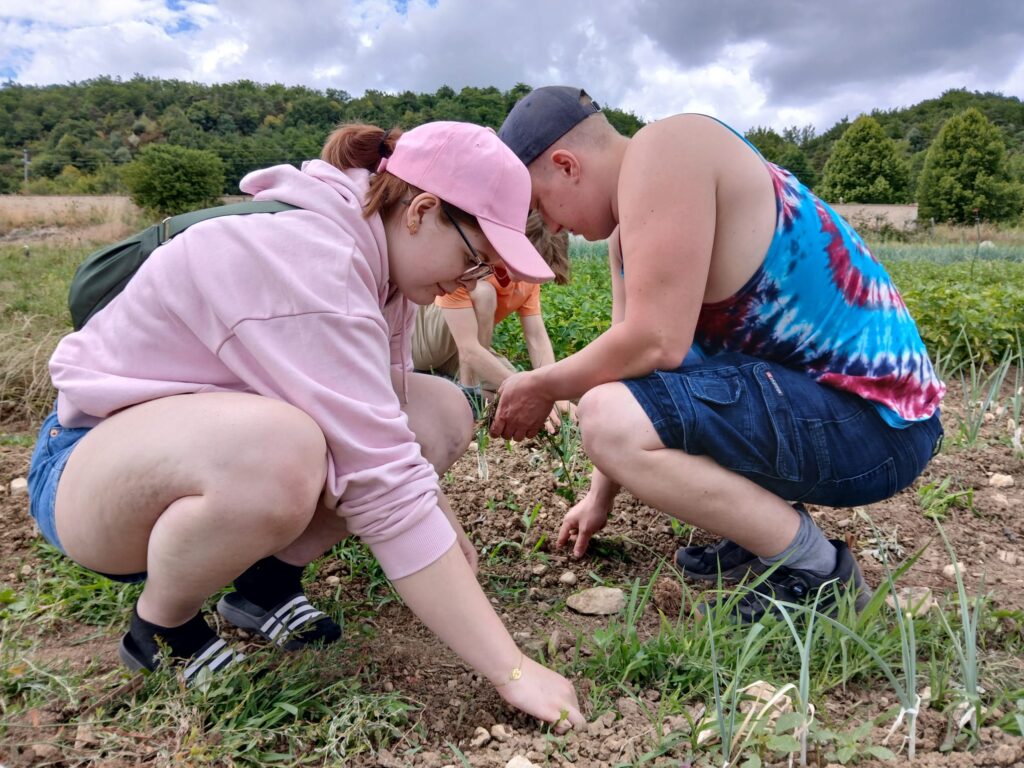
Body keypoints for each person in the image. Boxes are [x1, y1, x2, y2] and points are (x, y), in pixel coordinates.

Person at [26, 120, 585, 728]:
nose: (470, 281)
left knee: (442, 409)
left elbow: (384, 423)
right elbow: (383, 486)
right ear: (422, 210)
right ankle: (162, 625)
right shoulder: (312, 259)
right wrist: (512, 669)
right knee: (282, 450)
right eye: (475, 258)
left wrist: (442, 525)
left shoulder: (385, 266)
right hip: (86, 468)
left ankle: (264, 585)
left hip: (179, 451)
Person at [492, 87, 945, 621]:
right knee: (622, 406)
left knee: (608, 417)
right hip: (833, 414)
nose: (555, 226)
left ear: (566, 165)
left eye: (540, 205)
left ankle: (816, 573)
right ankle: (761, 536)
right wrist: (600, 499)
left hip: (874, 424)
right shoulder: (629, 233)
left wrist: (541, 384)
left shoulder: (667, 150)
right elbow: (631, 364)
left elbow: (655, 342)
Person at [412, 211, 574, 423]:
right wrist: (533, 392)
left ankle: (446, 387)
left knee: (505, 392)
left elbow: (536, 337)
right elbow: (469, 349)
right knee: (484, 294)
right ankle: (465, 391)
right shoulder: (478, 263)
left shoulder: (529, 281)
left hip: (461, 351)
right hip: (422, 344)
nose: (531, 276)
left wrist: (552, 393)